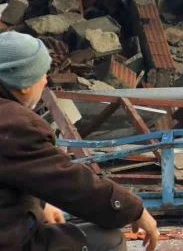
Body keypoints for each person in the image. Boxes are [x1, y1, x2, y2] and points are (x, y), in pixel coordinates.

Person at [0, 31, 159, 251]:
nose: (46, 80)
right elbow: (69, 182)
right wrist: (133, 209)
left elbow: (19, 173)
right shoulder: (15, 124)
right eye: (42, 74)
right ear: (24, 83)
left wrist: (40, 205)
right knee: (107, 240)